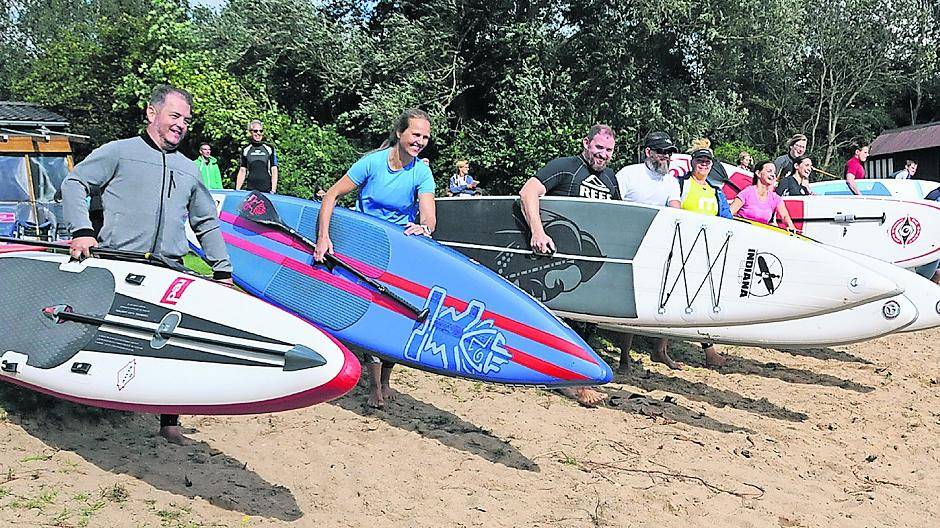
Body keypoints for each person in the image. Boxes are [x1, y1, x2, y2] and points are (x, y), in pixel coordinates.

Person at [61, 84, 233, 445]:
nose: (181, 125)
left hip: (167, 267)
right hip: (117, 262)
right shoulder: (120, 152)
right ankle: (82, 401)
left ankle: (169, 423)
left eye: (186, 119)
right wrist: (80, 230)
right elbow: (74, 182)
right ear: (152, 113)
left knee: (170, 345)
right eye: (175, 116)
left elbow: (205, 222)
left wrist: (223, 269)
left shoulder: (189, 169)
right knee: (104, 335)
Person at [314, 108, 436, 409]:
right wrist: (323, 237)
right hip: (365, 247)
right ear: (400, 133)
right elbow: (331, 196)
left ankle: (385, 382)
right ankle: (373, 385)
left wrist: (425, 226)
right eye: (415, 134)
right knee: (370, 311)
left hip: (398, 251)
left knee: (396, 314)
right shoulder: (372, 163)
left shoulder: (421, 171)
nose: (419, 141)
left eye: (425, 137)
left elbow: (429, 216)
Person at [519, 124, 619, 405]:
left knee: (586, 323)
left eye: (608, 150)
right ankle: (569, 382)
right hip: (556, 256)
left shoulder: (610, 178)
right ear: (586, 143)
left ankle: (576, 378)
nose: (602, 155)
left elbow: (619, 217)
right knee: (562, 320)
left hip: (589, 262)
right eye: (598, 147)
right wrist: (538, 232)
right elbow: (528, 192)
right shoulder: (565, 167)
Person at [613, 131, 680, 373]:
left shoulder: (671, 181)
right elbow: (613, 205)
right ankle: (624, 357)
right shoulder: (629, 174)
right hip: (628, 245)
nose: (666, 157)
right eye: (661, 152)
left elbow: (675, 211)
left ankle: (660, 350)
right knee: (629, 304)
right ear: (648, 152)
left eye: (669, 153)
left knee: (662, 298)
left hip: (658, 247)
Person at [675, 147, 732, 368]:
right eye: (700, 160)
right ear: (692, 163)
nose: (704, 165)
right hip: (681, 247)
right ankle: (660, 350)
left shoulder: (715, 191)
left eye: (708, 162)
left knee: (701, 301)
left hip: (707, 252)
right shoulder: (681, 184)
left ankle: (709, 352)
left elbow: (726, 219)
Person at [730, 160, 797, 230]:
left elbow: (785, 216)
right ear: (758, 173)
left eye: (774, 173)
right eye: (769, 171)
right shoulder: (747, 192)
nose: (773, 175)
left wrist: (790, 225)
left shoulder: (775, 198)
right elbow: (730, 213)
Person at [235, 120, 278, 193]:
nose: (258, 133)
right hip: (251, 189)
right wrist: (237, 190)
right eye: (255, 131)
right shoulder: (246, 149)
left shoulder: (269, 148)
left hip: (267, 189)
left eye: (261, 131)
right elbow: (242, 170)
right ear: (250, 132)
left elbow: (274, 170)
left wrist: (273, 189)